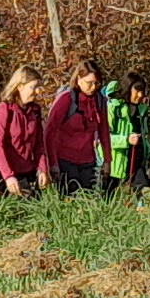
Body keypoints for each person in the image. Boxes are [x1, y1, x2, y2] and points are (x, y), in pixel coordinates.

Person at [0, 68, 48, 196]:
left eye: (39, 87)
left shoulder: (35, 111)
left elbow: (39, 144)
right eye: (33, 87)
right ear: (20, 86)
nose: (37, 92)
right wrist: (8, 176)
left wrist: (42, 168)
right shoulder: (4, 109)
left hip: (25, 172)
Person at [42, 61, 109, 197]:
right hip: (65, 160)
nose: (93, 87)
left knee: (87, 200)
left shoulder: (99, 101)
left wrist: (108, 160)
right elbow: (49, 132)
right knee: (70, 198)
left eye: (96, 83)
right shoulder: (66, 100)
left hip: (88, 161)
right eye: (89, 83)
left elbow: (104, 131)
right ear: (78, 79)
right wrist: (53, 164)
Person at [103, 71, 150, 193]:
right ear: (128, 89)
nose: (140, 95)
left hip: (136, 160)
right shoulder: (113, 108)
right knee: (107, 200)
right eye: (137, 90)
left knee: (145, 193)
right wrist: (126, 140)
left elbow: (142, 135)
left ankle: (143, 210)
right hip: (114, 164)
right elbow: (102, 139)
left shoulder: (141, 111)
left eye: (142, 91)